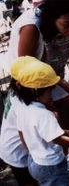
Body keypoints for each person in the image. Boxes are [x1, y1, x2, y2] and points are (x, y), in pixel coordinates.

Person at [6, 0, 69, 183]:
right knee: (42, 122)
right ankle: (48, 166)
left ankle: (66, 162)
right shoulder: (31, 27)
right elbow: (28, 70)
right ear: (51, 17)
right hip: (34, 81)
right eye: (67, 24)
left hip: (54, 73)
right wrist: (57, 85)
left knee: (66, 110)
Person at [16, 59, 69, 186]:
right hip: (51, 166)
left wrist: (64, 131)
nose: (52, 92)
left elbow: (22, 132)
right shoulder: (44, 114)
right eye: (49, 90)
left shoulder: (23, 108)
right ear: (35, 90)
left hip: (34, 161)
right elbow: (58, 140)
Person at [0, 56, 39, 186]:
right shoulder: (24, 105)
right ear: (19, 82)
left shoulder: (15, 90)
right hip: (16, 151)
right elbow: (24, 133)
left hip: (9, 146)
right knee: (29, 182)